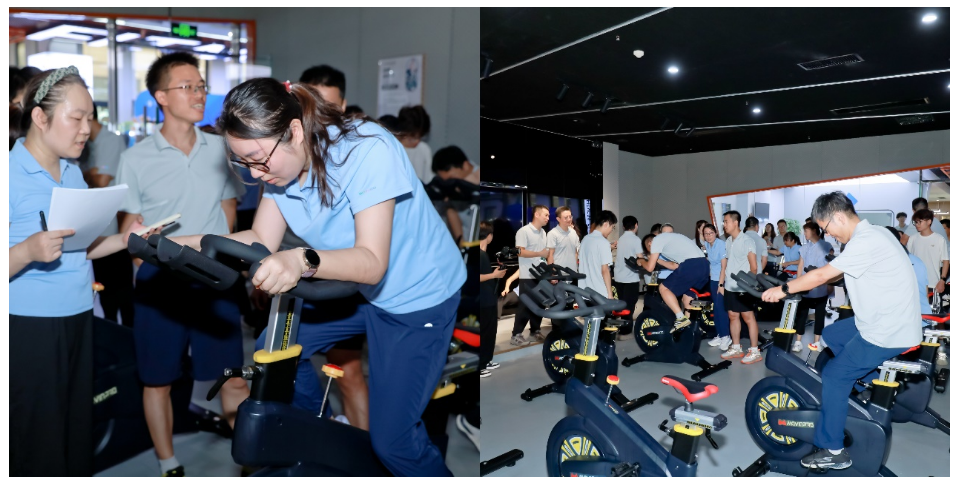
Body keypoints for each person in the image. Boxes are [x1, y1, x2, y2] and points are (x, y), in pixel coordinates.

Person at [172, 77, 466, 476]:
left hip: (419, 296)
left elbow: (372, 262)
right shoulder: (280, 168)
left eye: (258, 159)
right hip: (364, 290)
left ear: (294, 131)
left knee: (394, 442)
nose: (256, 174)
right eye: (244, 164)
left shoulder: (366, 149)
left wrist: (300, 261)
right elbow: (260, 239)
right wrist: (181, 243)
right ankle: (319, 429)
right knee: (274, 346)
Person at [9, 66, 156, 477]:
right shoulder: (9, 174)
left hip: (78, 314)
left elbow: (81, 247)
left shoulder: (72, 172)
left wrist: (126, 239)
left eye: (90, 118)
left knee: (76, 425)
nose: (86, 130)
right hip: (28, 324)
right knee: (36, 434)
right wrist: (25, 251)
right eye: (76, 118)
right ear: (40, 117)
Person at [115, 52, 250, 477]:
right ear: (161, 97)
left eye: (201, 86)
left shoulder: (221, 149)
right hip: (161, 280)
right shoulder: (136, 158)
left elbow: (229, 213)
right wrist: (143, 258)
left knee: (233, 377)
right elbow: (129, 230)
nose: (198, 94)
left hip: (213, 276)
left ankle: (249, 463)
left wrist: (229, 263)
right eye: (187, 87)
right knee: (157, 380)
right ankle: (168, 463)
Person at [760, 191, 920, 471]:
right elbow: (839, 273)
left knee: (834, 375)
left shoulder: (865, 241)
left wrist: (783, 289)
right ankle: (867, 382)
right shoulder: (875, 234)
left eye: (826, 227)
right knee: (832, 335)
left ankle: (833, 450)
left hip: (887, 330)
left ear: (838, 217)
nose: (828, 234)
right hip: (883, 320)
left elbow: (823, 275)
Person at [299, 63, 371, 431]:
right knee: (281, 354)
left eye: (328, 105)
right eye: (312, 104)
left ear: (342, 106)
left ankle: (362, 449)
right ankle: (324, 428)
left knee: (348, 371)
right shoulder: (289, 154)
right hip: (301, 281)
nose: (320, 114)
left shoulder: (358, 157)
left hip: (347, 282)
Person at [75, 115, 135, 327]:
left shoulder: (109, 140)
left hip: (113, 226)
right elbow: (93, 177)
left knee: (121, 291)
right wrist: (89, 174)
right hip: (98, 226)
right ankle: (113, 329)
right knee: (105, 289)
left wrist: (85, 174)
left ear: (89, 117)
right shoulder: (90, 144)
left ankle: (127, 335)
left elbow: (101, 180)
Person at [636, 225, 709, 331]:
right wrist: (656, 260)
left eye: (649, 251)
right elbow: (674, 266)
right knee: (687, 299)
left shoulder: (656, 241)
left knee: (663, 288)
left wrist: (641, 260)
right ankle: (689, 330)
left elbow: (650, 268)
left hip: (691, 265)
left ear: (649, 244)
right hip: (704, 267)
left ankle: (680, 318)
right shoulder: (672, 240)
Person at [717, 210, 763, 364]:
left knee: (748, 317)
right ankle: (736, 347)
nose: (724, 225)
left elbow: (754, 267)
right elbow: (728, 264)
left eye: (726, 221)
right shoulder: (728, 241)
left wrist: (748, 285)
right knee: (733, 316)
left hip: (744, 286)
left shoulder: (747, 241)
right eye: (724, 222)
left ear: (735, 222)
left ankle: (755, 351)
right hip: (730, 286)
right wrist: (722, 283)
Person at [511, 205, 550, 346]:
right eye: (545, 215)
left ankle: (535, 331)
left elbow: (545, 253)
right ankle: (516, 334)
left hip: (541, 275)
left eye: (548, 215)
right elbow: (520, 252)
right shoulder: (524, 231)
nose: (548, 218)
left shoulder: (543, 233)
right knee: (525, 305)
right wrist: (539, 253)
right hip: (527, 275)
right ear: (537, 215)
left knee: (540, 303)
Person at [790, 223, 830, 352]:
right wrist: (797, 284)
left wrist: (829, 285)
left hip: (821, 286)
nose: (804, 234)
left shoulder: (826, 246)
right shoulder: (804, 248)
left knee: (819, 315)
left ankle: (817, 342)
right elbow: (800, 266)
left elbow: (829, 267)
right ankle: (798, 341)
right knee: (802, 314)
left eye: (806, 231)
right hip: (805, 286)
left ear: (813, 231)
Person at [479, 221, 506, 377]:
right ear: (489, 236)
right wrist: (494, 275)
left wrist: (495, 274)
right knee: (484, 332)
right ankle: (480, 365)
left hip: (489, 298)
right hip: (483, 300)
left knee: (490, 331)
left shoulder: (484, 254)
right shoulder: (479, 254)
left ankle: (487, 359)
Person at [886, 226, 932, 315]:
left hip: (907, 316)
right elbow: (925, 292)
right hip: (924, 314)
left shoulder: (893, 262)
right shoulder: (918, 261)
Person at [702, 223, 732, 351]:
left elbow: (724, 266)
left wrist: (721, 284)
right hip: (713, 279)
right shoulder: (707, 245)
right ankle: (720, 335)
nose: (709, 236)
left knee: (721, 308)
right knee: (715, 309)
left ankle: (726, 336)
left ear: (716, 233)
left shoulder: (721, 245)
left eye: (711, 233)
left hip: (722, 280)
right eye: (706, 234)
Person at [906, 209, 949, 298]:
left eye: (920, 222)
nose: (917, 224)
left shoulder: (939, 239)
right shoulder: (912, 239)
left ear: (929, 222)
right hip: (915, 282)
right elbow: (908, 260)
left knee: (931, 306)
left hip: (933, 283)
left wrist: (942, 280)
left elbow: (945, 261)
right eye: (915, 222)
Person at [613, 215, 644, 336]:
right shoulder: (636, 240)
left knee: (622, 303)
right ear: (636, 225)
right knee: (630, 304)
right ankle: (626, 329)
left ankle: (623, 326)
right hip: (631, 277)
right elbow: (640, 258)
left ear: (623, 226)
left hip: (619, 277)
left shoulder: (620, 239)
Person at [579, 210, 617, 298]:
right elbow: (605, 270)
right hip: (599, 293)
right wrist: (610, 294)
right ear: (606, 224)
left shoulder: (585, 239)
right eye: (612, 227)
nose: (611, 230)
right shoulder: (604, 242)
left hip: (584, 292)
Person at [397, 105, 433, 184]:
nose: (417, 141)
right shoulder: (394, 148)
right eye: (413, 137)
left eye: (420, 137)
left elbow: (428, 178)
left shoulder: (424, 149)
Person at [547, 205, 581, 273]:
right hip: (559, 273)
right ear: (558, 219)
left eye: (570, 217)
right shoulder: (552, 234)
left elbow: (576, 252)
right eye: (566, 218)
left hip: (573, 272)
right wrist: (552, 273)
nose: (569, 219)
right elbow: (550, 255)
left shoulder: (573, 232)